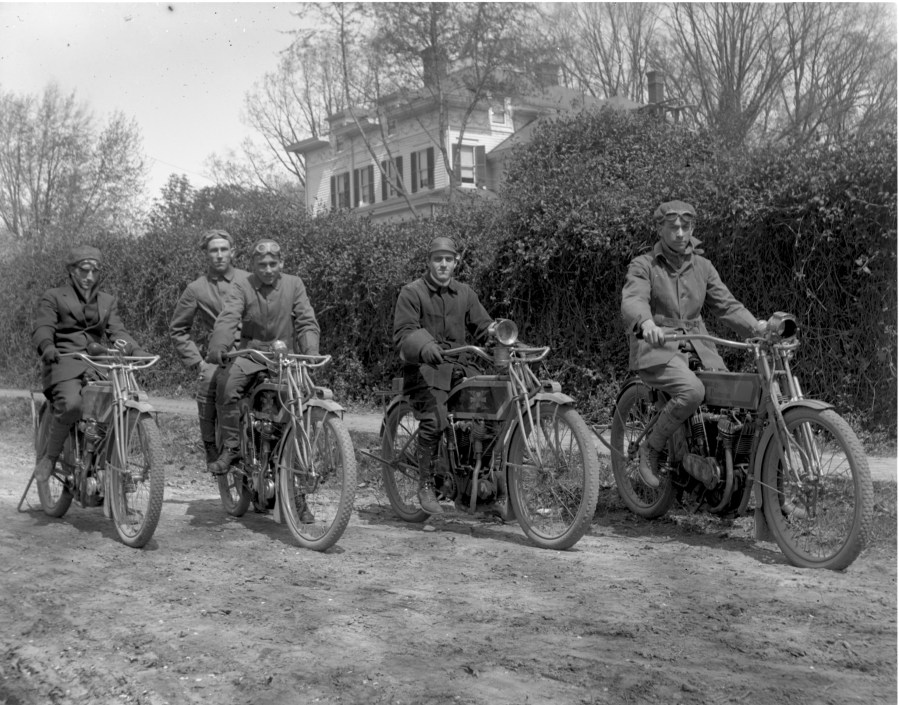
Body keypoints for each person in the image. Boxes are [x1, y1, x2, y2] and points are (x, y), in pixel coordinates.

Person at [620, 200, 767, 487]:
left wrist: (757, 328)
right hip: (657, 349)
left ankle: (760, 485)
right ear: (660, 229)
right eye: (672, 227)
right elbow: (634, 298)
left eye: (685, 227)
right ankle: (652, 447)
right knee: (692, 391)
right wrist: (646, 323)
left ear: (692, 228)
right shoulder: (644, 265)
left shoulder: (703, 266)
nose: (679, 233)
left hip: (699, 346)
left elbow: (727, 305)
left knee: (741, 398)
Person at [393, 236, 494, 515]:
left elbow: (484, 327)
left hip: (460, 370)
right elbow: (404, 333)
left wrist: (501, 336)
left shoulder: (465, 293)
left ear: (455, 263)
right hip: (424, 370)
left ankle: (478, 488)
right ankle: (425, 484)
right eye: (438, 259)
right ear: (429, 262)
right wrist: (425, 346)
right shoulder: (412, 292)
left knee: (491, 413)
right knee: (435, 420)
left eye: (448, 259)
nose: (443, 264)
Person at [205, 238, 320, 478]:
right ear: (253, 264)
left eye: (272, 263)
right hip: (253, 354)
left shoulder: (294, 284)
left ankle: (298, 471)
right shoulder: (241, 286)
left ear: (281, 263)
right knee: (227, 385)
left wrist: (310, 352)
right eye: (262, 265)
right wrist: (219, 345)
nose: (268, 269)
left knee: (300, 403)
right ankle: (232, 448)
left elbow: (306, 319)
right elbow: (229, 316)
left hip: (284, 357)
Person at [32, 245, 147, 481]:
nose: (89, 277)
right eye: (84, 270)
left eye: (95, 271)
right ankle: (50, 457)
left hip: (97, 362)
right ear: (72, 271)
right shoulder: (54, 296)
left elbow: (118, 332)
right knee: (73, 405)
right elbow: (43, 327)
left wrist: (136, 349)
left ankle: (108, 463)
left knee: (121, 402)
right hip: (63, 361)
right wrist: (48, 346)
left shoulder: (106, 300)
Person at [169, 229, 249, 464]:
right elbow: (178, 329)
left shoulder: (249, 280)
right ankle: (211, 447)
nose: (220, 255)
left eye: (224, 249)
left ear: (232, 252)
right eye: (214, 250)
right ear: (206, 254)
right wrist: (197, 362)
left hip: (252, 352)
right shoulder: (196, 289)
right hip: (219, 357)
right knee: (208, 383)